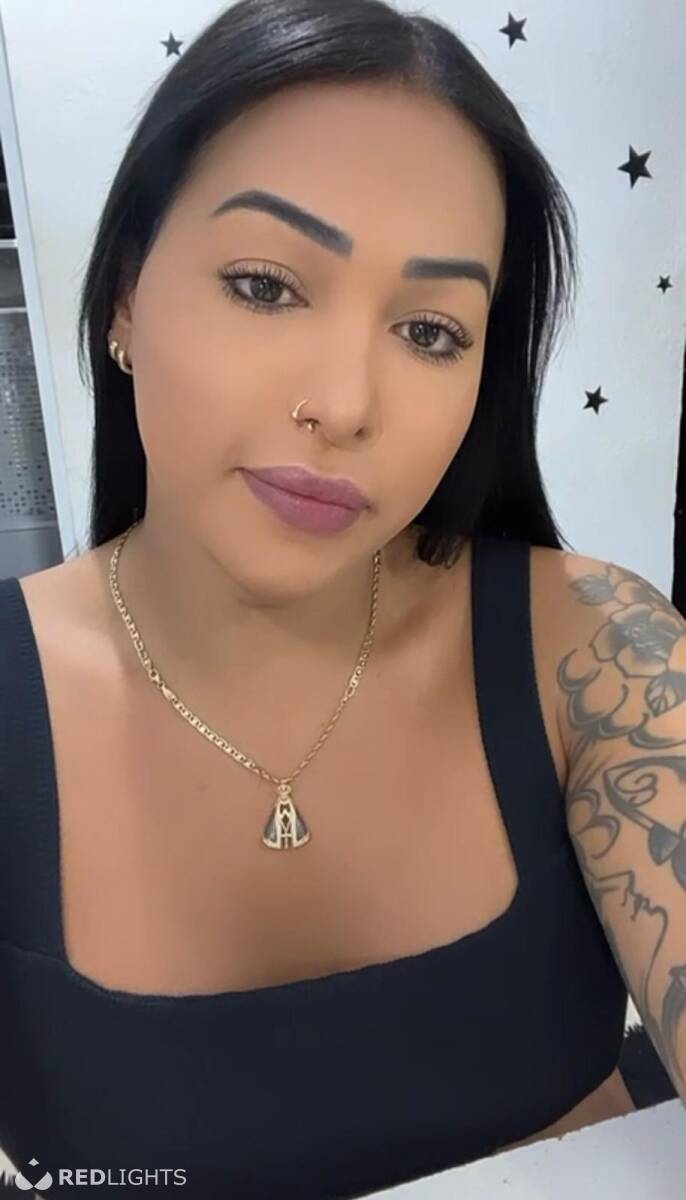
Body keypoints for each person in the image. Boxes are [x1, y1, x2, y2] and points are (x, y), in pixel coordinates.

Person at [0, 1, 683, 1196]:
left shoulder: (592, 649)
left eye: (429, 330)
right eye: (264, 286)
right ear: (123, 299)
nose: (346, 402)